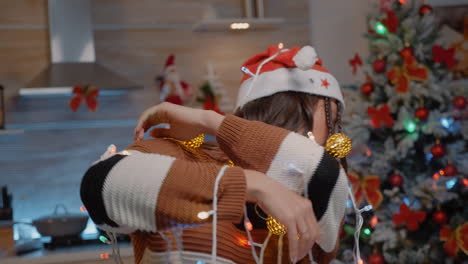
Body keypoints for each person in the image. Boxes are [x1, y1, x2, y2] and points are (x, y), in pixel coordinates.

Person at [80, 44, 350, 264]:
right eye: (331, 117)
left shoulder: (314, 195)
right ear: (296, 111)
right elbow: (99, 185)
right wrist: (253, 185)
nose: (335, 134)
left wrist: (211, 121)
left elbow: (324, 176)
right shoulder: (181, 156)